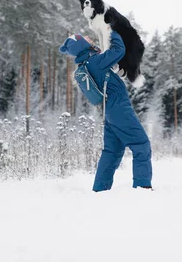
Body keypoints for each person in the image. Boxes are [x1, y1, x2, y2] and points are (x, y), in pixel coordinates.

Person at [59, 31, 153, 191]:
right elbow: (119, 50)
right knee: (141, 144)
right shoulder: (95, 61)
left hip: (109, 111)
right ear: (82, 44)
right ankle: (143, 187)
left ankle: (100, 190)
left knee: (112, 151)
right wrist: (112, 31)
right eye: (86, 38)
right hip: (118, 108)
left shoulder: (88, 63)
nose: (89, 38)